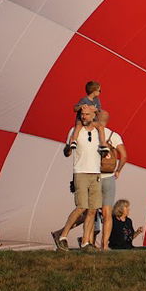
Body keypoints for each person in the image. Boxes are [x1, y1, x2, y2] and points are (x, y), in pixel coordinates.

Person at [52, 103, 104, 251]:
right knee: (81, 207)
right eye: (82, 114)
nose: (84, 117)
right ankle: (62, 235)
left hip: (95, 173)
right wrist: (69, 148)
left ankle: (86, 242)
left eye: (87, 114)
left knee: (93, 210)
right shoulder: (75, 131)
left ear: (93, 116)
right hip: (80, 172)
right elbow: (66, 153)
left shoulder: (99, 132)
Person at [93, 110, 125, 249]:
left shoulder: (90, 133)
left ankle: (88, 241)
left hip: (93, 177)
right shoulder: (114, 136)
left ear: (96, 118)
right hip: (109, 176)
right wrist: (118, 170)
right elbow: (124, 156)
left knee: (91, 211)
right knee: (107, 214)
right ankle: (104, 245)